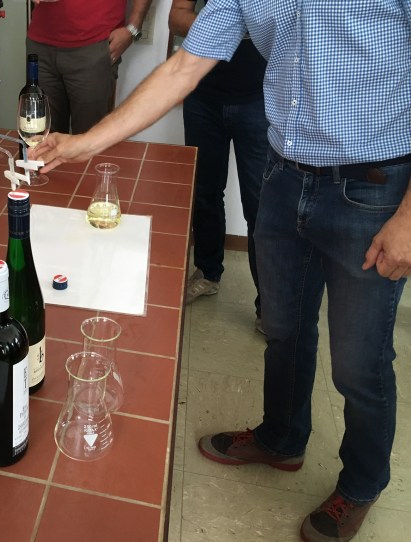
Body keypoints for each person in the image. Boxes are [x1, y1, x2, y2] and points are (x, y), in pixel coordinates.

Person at [31, 2, 411, 541]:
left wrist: (410, 217)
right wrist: (82, 143)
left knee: (358, 360)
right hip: (284, 175)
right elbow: (184, 67)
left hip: (371, 188)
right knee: (282, 327)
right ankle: (282, 438)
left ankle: (363, 482)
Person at [170, 0, 266, 334]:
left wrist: (229, 26)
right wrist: (231, 26)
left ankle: (269, 306)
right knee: (205, 193)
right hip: (203, 96)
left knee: (261, 206)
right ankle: (208, 273)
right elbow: (176, 17)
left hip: (260, 99)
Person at [26, 0, 152, 134]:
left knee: (89, 136)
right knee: (40, 137)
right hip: (41, 45)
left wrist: (133, 27)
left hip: (94, 45)